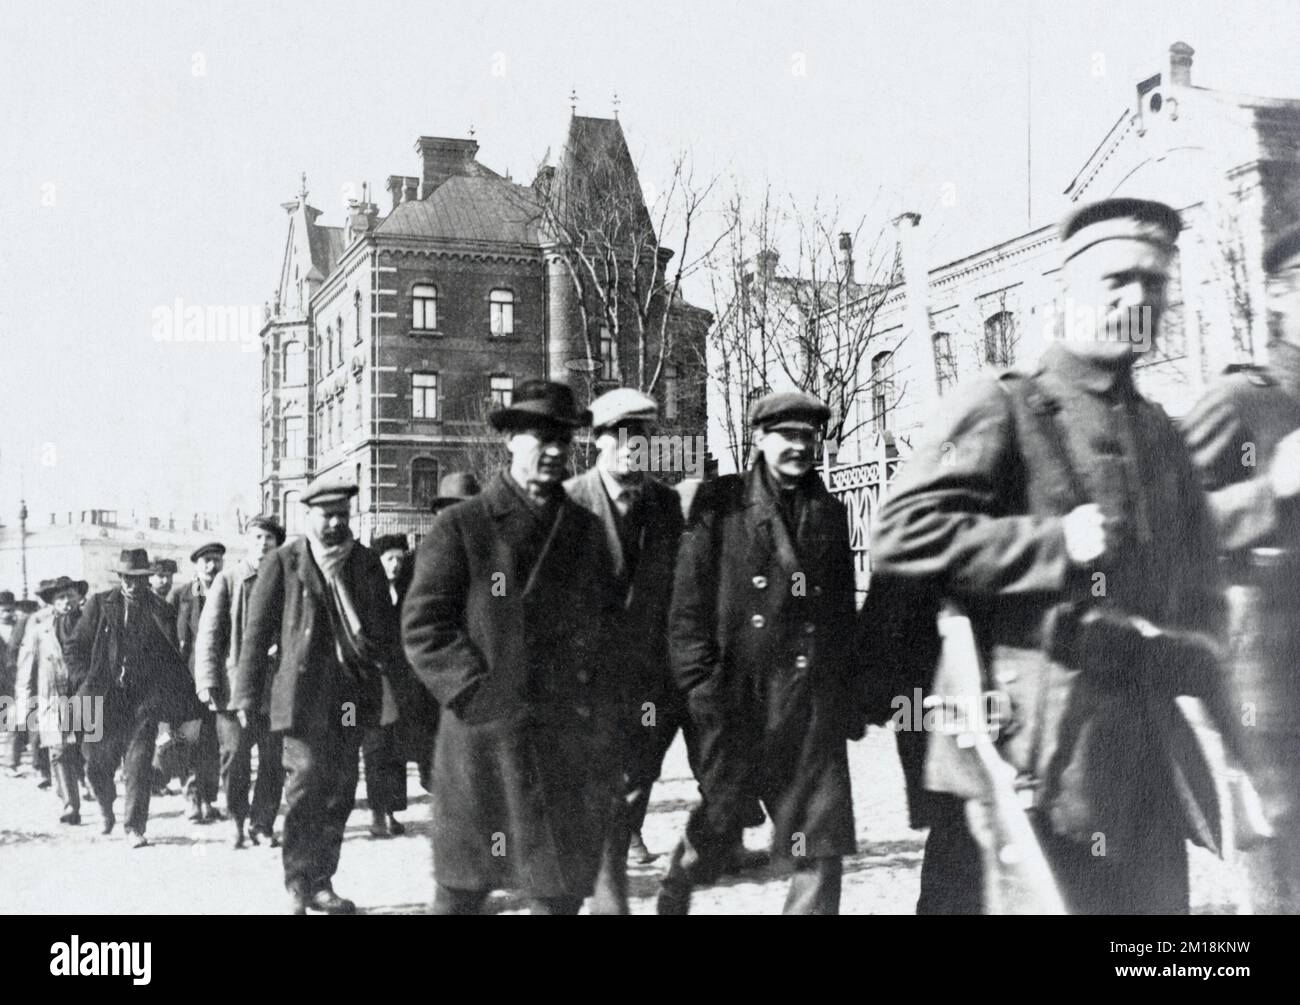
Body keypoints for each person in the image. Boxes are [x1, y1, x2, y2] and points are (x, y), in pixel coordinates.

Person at [871, 198, 1240, 914]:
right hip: (1021, 773)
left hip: (1142, 778)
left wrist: (1236, 735)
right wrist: (1049, 544)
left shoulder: (1162, 432)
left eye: (1156, 281)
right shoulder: (1000, 407)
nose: (1140, 297)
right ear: (1066, 294)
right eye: (1118, 280)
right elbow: (900, 533)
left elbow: (1204, 601)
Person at [402, 379, 623, 915]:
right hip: (483, 742)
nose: (552, 451)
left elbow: (607, 628)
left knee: (558, 890)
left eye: (563, 440)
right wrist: (478, 695)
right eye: (538, 437)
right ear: (509, 441)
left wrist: (602, 715)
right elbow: (424, 627)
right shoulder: (464, 526)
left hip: (562, 740)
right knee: (463, 891)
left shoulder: (586, 530)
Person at [657, 390, 863, 915]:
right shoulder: (720, 506)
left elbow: (840, 615)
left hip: (807, 704)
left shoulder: (832, 513)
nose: (798, 447)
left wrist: (846, 694)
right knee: (721, 829)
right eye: (787, 436)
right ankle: (681, 879)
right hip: (737, 701)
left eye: (807, 437)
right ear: (760, 439)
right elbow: (687, 611)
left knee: (821, 843)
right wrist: (702, 689)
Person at [1182, 221, 1300, 913]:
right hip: (1270, 693)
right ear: (1281, 299)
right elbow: (1154, 523)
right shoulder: (1240, 401)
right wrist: (1269, 491)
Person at [233, 477, 399, 915]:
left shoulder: (363, 563)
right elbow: (256, 636)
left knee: (340, 787)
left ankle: (322, 881)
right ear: (308, 517)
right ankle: (296, 883)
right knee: (305, 782)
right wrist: (247, 695)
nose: (335, 523)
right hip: (302, 696)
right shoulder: (284, 563)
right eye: (327, 515)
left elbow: (386, 630)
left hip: (348, 698)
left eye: (343, 515)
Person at [563, 388, 686, 913]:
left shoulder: (665, 504)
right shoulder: (568, 502)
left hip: (651, 677)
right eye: (625, 437)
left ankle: (613, 852)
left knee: (639, 774)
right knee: (600, 789)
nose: (637, 448)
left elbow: (680, 587)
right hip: (587, 682)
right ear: (599, 441)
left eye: (645, 437)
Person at [66, 549, 198, 847]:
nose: (133, 584)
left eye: (139, 579)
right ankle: (105, 806)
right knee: (96, 765)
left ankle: (134, 827)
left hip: (142, 703)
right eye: (127, 578)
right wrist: (84, 680)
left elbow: (170, 659)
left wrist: (168, 703)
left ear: (148, 578)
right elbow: (74, 648)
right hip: (102, 699)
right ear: (120, 577)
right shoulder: (100, 605)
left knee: (138, 766)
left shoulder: (160, 609)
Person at [194, 516, 286, 849]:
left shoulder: (286, 580)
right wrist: (206, 681)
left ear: (278, 544)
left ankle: (262, 824)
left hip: (274, 687)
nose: (263, 544)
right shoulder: (229, 580)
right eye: (258, 537)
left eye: (270, 539)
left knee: (274, 759)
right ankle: (236, 818)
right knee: (234, 756)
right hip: (233, 688)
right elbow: (210, 634)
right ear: (248, 540)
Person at [15, 576, 89, 823]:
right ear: (52, 602)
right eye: (60, 597)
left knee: (86, 749)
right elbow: (25, 669)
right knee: (58, 751)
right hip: (52, 697)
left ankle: (91, 787)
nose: (67, 601)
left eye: (70, 595)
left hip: (87, 695)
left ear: (79, 597)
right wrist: (23, 707)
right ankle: (70, 806)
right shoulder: (40, 630)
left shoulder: (92, 623)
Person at [361, 533, 415, 838]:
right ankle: (376, 812)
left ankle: (392, 810)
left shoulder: (409, 591)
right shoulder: (368, 593)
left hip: (402, 679)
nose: (395, 565)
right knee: (375, 746)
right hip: (373, 680)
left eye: (399, 558)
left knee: (397, 747)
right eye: (389, 559)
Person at [174, 541, 226, 823]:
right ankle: (192, 797)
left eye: (216, 559)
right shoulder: (181, 596)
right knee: (189, 739)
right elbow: (171, 639)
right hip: (188, 679)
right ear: (196, 565)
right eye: (205, 560)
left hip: (221, 678)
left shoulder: (230, 591)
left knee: (214, 741)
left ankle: (209, 798)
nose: (211, 565)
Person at [1, 591, 34, 779]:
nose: (8, 614)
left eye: (10, 610)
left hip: (14, 681)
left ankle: (11, 762)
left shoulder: (20, 628)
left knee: (16, 722)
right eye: (4, 610)